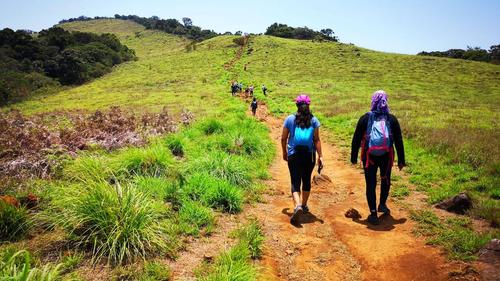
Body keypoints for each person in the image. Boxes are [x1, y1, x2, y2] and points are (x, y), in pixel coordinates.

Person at [350, 90, 405, 225]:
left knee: (371, 183)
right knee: (385, 180)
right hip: (387, 156)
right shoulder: (391, 119)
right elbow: (398, 140)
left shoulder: (365, 118)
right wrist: (401, 160)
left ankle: (373, 213)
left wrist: (353, 157)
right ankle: (382, 204)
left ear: (373, 101)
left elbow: (356, 139)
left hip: (369, 157)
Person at [281, 94, 323, 225]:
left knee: (295, 180)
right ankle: (304, 205)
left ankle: (297, 205)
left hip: (294, 154)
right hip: (309, 155)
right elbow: (316, 139)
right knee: (306, 179)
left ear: (297, 105)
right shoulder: (314, 120)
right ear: (308, 105)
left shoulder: (290, 119)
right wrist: (320, 156)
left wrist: (284, 152)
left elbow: (283, 138)